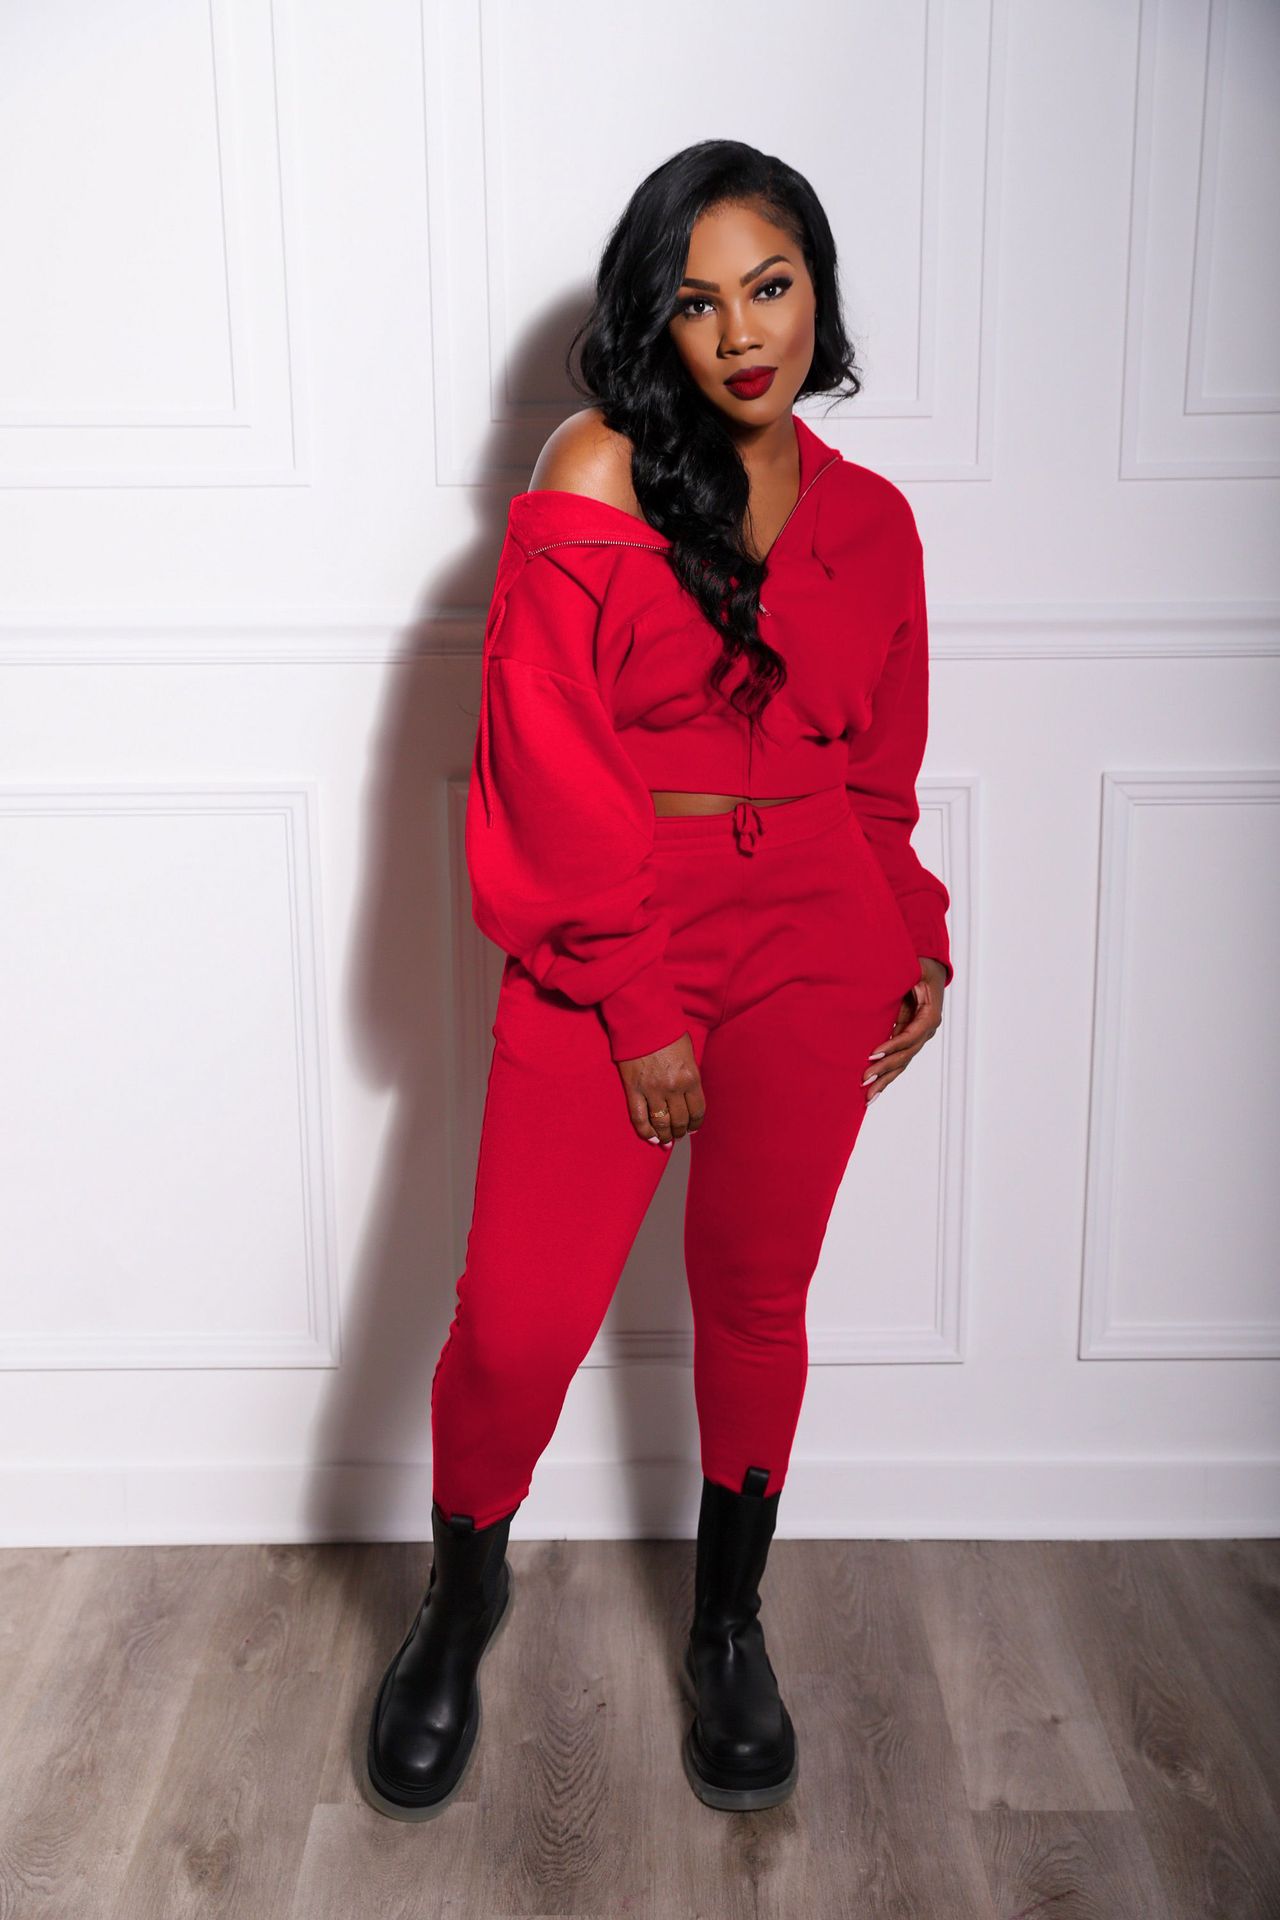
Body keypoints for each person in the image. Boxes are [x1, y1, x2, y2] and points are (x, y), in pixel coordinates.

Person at [363, 138, 952, 1823]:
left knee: (758, 1301)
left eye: (771, 286)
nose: (742, 333)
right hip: (613, 933)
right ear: (655, 318)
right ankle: (460, 1600)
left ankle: (728, 1627)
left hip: (816, 938)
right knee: (519, 1321)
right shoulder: (598, 469)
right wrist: (634, 1005)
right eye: (697, 302)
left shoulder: (877, 522)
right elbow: (543, 757)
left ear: (818, 289)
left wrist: (915, 932)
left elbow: (879, 777)